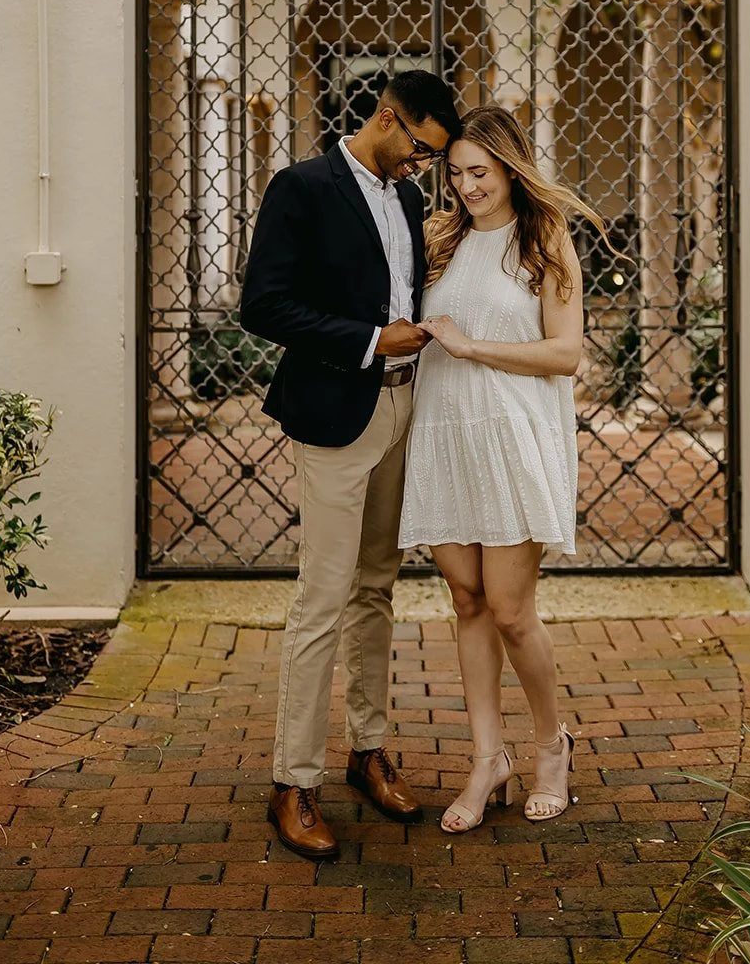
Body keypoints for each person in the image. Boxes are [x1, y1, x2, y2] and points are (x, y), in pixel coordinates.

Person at [240, 69, 461, 860]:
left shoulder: (404, 199)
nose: (420, 170)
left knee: (376, 588)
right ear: (389, 118)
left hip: (405, 411)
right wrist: (370, 341)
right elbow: (261, 304)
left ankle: (368, 750)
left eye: (431, 160)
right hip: (335, 413)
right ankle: (292, 782)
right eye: (419, 152)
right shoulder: (299, 187)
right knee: (322, 597)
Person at [399, 104, 606, 831]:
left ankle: (550, 745)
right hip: (445, 434)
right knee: (464, 599)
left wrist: (472, 346)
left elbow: (564, 354)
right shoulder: (439, 242)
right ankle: (487, 760)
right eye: (454, 174)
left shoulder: (543, 240)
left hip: (512, 439)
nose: (465, 187)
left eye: (479, 172)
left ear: (511, 167)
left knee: (513, 610)